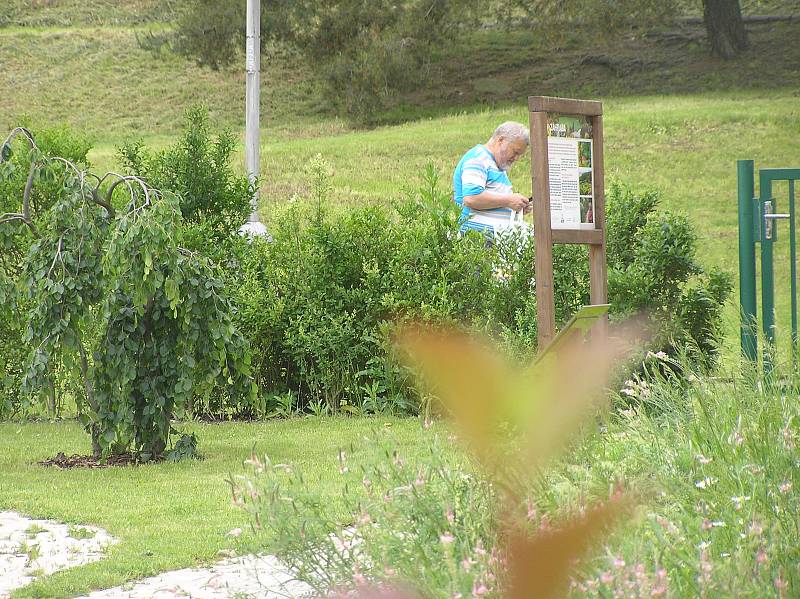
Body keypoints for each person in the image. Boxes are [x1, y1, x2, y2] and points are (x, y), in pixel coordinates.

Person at [452, 121, 531, 242]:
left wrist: (516, 207)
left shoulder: (497, 165)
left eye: (519, 155)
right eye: (515, 152)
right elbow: (471, 198)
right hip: (477, 239)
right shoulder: (478, 158)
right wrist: (509, 201)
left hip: (494, 237)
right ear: (501, 140)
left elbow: (496, 203)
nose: (516, 158)